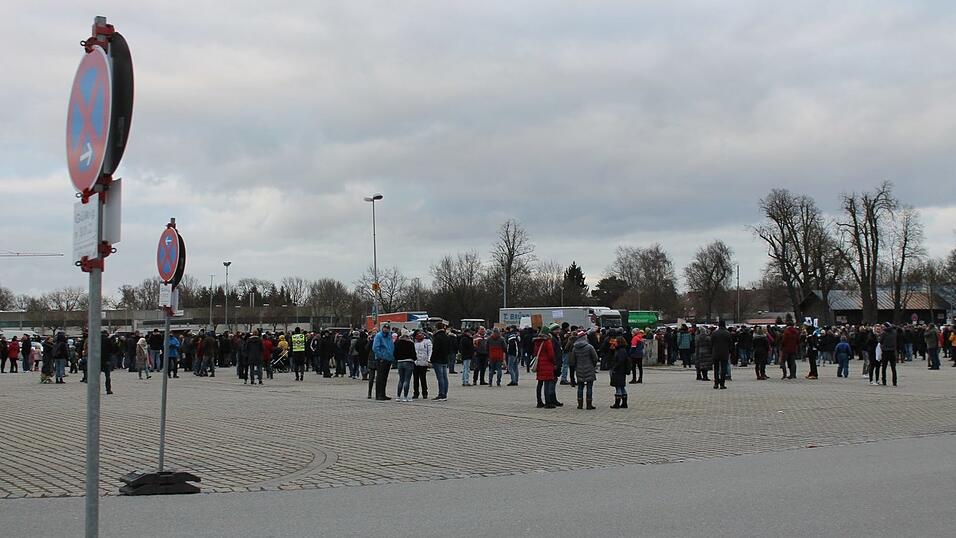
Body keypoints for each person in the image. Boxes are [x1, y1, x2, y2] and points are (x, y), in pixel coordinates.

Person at [572, 330, 598, 410]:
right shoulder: (589, 347)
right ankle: (589, 404)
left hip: (579, 368)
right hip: (589, 368)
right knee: (589, 387)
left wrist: (576, 366)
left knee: (580, 387)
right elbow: (595, 358)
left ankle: (580, 404)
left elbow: (573, 360)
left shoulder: (575, 348)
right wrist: (593, 365)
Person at [533, 327, 558, 408]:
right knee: (547, 383)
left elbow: (535, 353)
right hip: (547, 364)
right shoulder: (547, 341)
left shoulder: (537, 341)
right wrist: (554, 362)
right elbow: (551, 354)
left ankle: (539, 401)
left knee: (540, 383)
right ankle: (548, 402)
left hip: (540, 364)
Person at [372, 323, 395, 401]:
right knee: (380, 377)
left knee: (384, 378)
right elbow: (375, 347)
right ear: (383, 328)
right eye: (385, 328)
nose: (386, 330)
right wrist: (380, 356)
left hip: (388, 359)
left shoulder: (389, 336)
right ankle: (378, 394)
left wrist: (391, 356)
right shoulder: (379, 336)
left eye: (388, 328)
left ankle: (383, 394)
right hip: (381, 359)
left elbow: (391, 346)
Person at [609, 335, 631, 409]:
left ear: (619, 342)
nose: (614, 342)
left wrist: (615, 367)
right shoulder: (620, 349)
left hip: (619, 371)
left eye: (615, 341)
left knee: (618, 386)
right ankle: (624, 403)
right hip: (621, 370)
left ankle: (617, 403)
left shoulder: (621, 351)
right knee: (621, 387)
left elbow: (620, 361)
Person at [394, 330, 416, 402]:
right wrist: (414, 359)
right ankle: (405, 397)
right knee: (407, 380)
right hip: (409, 361)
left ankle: (398, 396)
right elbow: (414, 354)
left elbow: (395, 353)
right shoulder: (410, 343)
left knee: (401, 379)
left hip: (400, 362)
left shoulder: (397, 342)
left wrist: (398, 358)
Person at [430, 323, 449, 401]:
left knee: (440, 378)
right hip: (445, 358)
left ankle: (441, 394)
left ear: (436, 327)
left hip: (438, 359)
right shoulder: (446, 336)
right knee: (445, 377)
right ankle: (445, 393)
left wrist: (432, 359)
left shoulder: (437, 337)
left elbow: (435, 349)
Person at [412, 330, 431, 399]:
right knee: (415, 379)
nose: (419, 335)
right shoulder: (414, 342)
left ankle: (425, 393)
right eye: (418, 334)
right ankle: (416, 393)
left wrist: (429, 360)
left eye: (421, 333)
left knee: (423, 378)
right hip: (415, 363)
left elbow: (430, 351)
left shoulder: (427, 341)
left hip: (423, 362)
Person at [880, 323, 899, 387]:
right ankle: (894, 382)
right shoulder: (894, 332)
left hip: (885, 351)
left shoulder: (884, 333)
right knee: (893, 368)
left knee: (884, 367)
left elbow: (880, 341)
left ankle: (884, 381)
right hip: (893, 351)